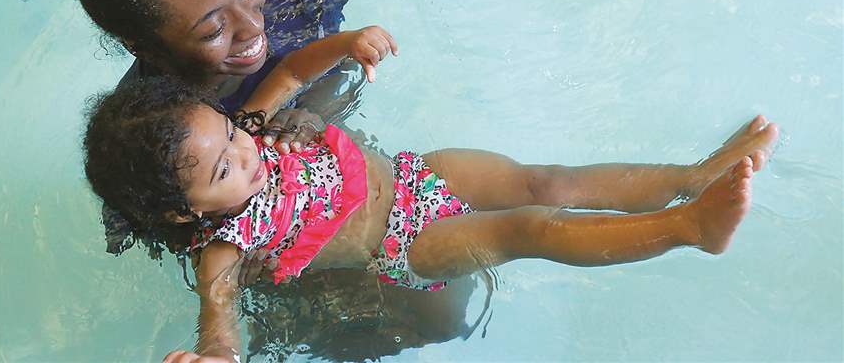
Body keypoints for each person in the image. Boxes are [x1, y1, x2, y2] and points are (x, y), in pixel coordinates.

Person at [82, 25, 780, 363]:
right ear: (185, 212)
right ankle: (690, 227)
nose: (246, 152)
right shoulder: (222, 249)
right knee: (528, 226)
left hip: (420, 175)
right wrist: (214, 357)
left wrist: (347, 44)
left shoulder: (255, 131)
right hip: (407, 243)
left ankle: (691, 176)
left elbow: (291, 71)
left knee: (547, 180)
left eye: (231, 132)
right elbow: (219, 320)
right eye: (224, 171)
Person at [18, 0, 474, 356]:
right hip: (287, 255)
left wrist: (313, 112)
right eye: (213, 28)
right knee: (376, 328)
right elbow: (191, 245)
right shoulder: (146, 137)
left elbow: (343, 70)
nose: (254, 25)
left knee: (447, 313)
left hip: (349, 181)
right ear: (143, 47)